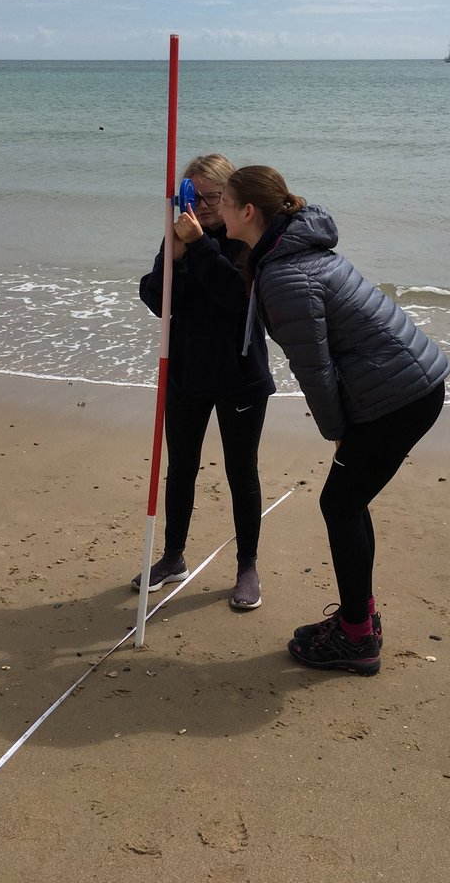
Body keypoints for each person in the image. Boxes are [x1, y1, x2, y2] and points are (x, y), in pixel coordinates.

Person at [220, 166, 450, 674]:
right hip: (409, 383)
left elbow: (315, 367)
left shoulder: (285, 275)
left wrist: (337, 431)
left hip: (398, 396)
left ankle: (357, 638)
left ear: (248, 212)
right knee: (348, 502)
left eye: (225, 203)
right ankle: (358, 620)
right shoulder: (291, 249)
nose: (218, 211)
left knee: (339, 505)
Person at [133, 153, 275, 610]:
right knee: (181, 468)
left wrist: (198, 246)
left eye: (213, 197)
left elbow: (237, 297)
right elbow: (158, 301)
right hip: (188, 371)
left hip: (240, 376)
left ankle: (247, 566)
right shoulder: (180, 234)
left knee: (241, 471)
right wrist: (173, 259)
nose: (203, 207)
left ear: (231, 197)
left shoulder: (246, 238)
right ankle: (173, 556)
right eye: (192, 197)